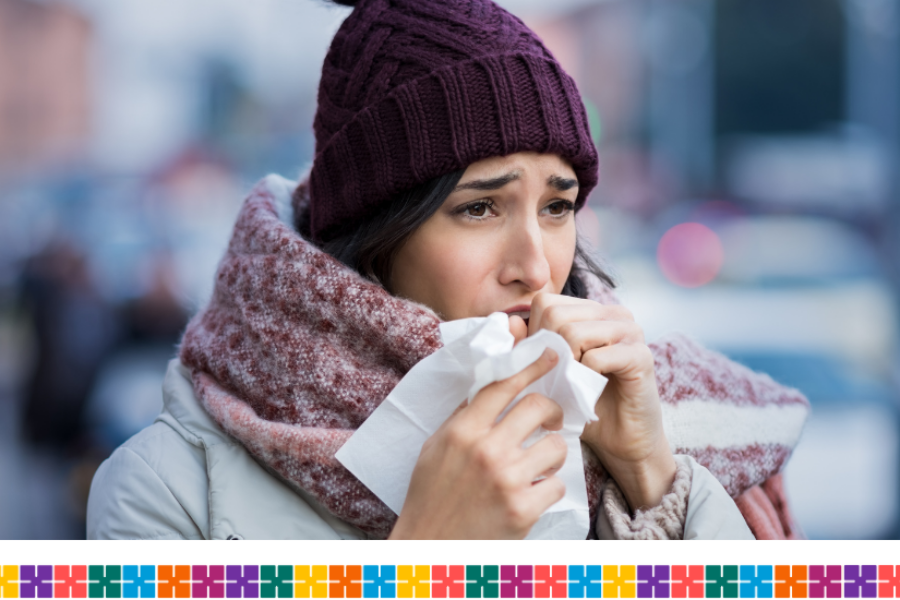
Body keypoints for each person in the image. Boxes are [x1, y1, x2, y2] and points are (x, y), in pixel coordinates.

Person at [87, 0, 808, 540]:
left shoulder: (650, 416)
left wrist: (653, 480)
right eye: (479, 209)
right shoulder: (169, 488)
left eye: (557, 207)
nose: (536, 267)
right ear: (374, 232)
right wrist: (427, 560)